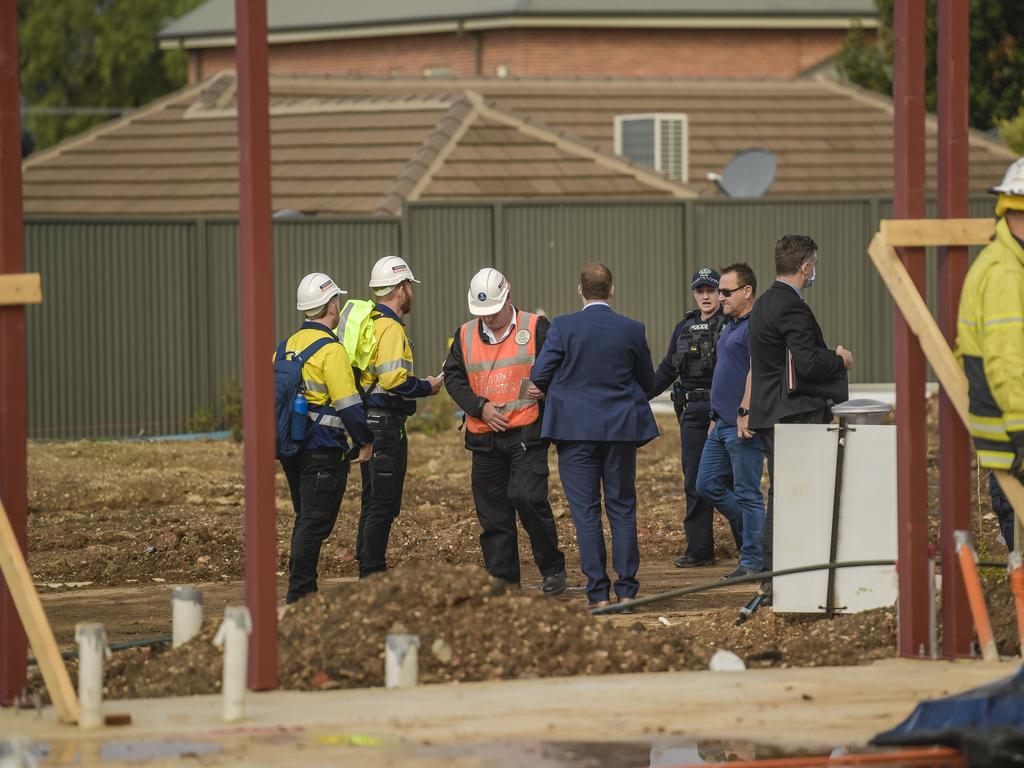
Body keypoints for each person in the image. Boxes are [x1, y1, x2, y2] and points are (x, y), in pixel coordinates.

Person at [530, 263, 659, 609]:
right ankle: (628, 589)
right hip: (620, 431)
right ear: (611, 290)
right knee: (622, 508)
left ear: (580, 290)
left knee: (585, 512)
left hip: (573, 433)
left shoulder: (562, 327)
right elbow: (648, 381)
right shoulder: (632, 329)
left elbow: (539, 375)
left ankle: (598, 593)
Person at [442, 268, 567, 594]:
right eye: (482, 313)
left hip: (526, 434)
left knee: (528, 499)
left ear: (508, 297)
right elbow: (454, 378)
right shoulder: (465, 335)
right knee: (493, 513)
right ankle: (503, 579)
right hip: (484, 438)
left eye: (494, 311)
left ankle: (552, 568)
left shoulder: (535, 327)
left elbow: (558, 367)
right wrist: (478, 406)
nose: (489, 318)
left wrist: (545, 388)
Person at [748, 235, 853, 587]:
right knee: (800, 494)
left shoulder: (763, 303)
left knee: (782, 493)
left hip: (769, 412)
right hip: (795, 415)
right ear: (806, 267)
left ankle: (773, 576)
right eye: (814, 266)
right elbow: (807, 363)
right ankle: (787, 577)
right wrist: (839, 359)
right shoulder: (792, 306)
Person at [277, 272, 374, 603]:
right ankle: (301, 593)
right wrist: (365, 439)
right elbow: (348, 403)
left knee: (306, 519)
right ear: (332, 305)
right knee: (314, 524)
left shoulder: (285, 346)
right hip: (322, 448)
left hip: (292, 446)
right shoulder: (332, 350)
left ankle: (304, 590)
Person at [356, 256, 443, 578]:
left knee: (373, 499)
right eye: (408, 286)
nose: (410, 292)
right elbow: (393, 380)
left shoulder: (369, 323)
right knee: (383, 502)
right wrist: (426, 386)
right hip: (384, 424)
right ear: (401, 289)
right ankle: (372, 573)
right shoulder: (390, 327)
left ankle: (367, 566)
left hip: (369, 420)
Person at [649, 267, 739, 568]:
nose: (705, 296)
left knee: (728, 479)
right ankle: (700, 550)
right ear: (694, 293)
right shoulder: (683, 327)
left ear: (720, 293)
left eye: (711, 290)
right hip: (692, 412)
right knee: (694, 483)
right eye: (700, 291)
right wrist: (638, 394)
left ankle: (747, 545)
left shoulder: (732, 324)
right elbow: (667, 369)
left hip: (725, 412)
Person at [956, 157, 1024, 546]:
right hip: (1012, 437)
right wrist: (1021, 434)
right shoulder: (1006, 274)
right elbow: (1007, 362)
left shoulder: (1006, 262)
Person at [695, 263, 764, 579]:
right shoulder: (730, 325)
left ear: (747, 291)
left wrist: (745, 410)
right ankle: (761, 534)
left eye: (726, 291)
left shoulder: (756, 326)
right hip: (719, 422)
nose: (720, 297)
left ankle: (752, 562)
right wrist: (714, 414)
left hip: (740, 423)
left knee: (749, 492)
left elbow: (757, 371)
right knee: (706, 484)